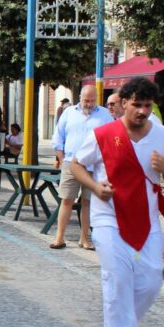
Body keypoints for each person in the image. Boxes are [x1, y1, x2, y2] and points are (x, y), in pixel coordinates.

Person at [70, 77, 164, 327]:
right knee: (118, 278)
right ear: (123, 104)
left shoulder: (163, 136)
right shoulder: (104, 134)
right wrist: (95, 187)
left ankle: (122, 322)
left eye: (147, 105)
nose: (142, 111)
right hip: (108, 216)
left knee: (151, 281)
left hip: (147, 219)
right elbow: (76, 165)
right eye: (136, 105)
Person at [51, 86, 111, 250]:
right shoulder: (69, 112)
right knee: (66, 200)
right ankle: (59, 237)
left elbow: (111, 139)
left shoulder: (105, 115)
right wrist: (62, 158)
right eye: (86, 100)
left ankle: (84, 238)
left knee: (88, 202)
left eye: (92, 100)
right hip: (71, 163)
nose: (89, 104)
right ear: (80, 97)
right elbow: (58, 136)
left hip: (94, 166)